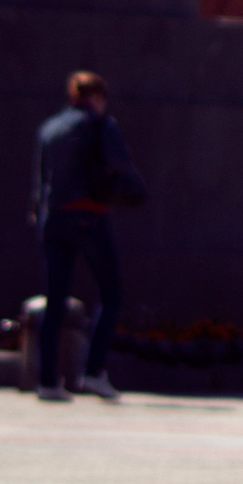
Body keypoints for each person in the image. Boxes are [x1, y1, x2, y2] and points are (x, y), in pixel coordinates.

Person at [32, 70, 144, 401]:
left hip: (53, 219)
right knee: (110, 295)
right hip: (89, 216)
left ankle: (47, 381)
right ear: (97, 97)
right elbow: (120, 167)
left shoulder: (49, 128)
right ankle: (93, 372)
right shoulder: (100, 124)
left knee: (55, 300)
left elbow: (40, 180)